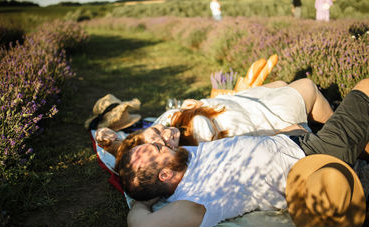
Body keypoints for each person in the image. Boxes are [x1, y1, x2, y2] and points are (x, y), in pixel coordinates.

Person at [117, 78, 369, 227]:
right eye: (160, 149)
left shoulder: (185, 159)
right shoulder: (192, 201)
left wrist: (280, 133)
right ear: (164, 176)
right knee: (365, 87)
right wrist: (143, 203)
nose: (165, 142)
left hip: (293, 140)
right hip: (313, 161)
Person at [96, 79, 334, 156]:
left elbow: (133, 147)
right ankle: (348, 135)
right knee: (307, 86)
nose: (166, 133)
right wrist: (279, 132)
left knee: (281, 83)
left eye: (158, 130)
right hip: (257, 116)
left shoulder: (163, 128)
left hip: (238, 103)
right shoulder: (197, 150)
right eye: (163, 142)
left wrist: (112, 141)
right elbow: (244, 141)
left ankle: (331, 121)